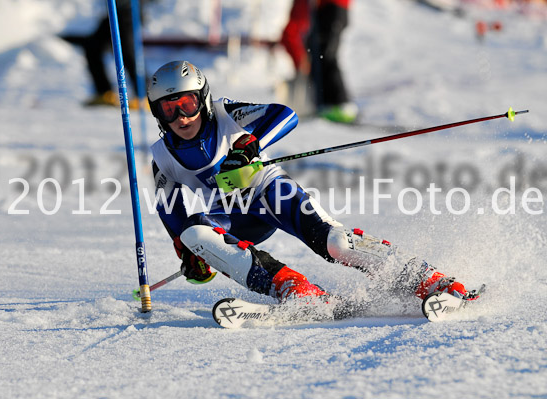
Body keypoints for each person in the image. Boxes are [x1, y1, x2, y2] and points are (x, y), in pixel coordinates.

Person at [147, 60, 475, 316]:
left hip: (270, 193)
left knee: (334, 241)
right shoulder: (162, 157)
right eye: (168, 108)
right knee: (194, 236)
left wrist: (249, 145)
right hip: (233, 219)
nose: (181, 117)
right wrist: (190, 253)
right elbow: (172, 212)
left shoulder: (226, 113)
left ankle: (430, 281)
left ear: (201, 99)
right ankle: (295, 289)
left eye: (187, 103)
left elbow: (283, 115)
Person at [281, 0, 358, 124]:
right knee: (319, 54)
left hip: (333, 6)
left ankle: (340, 104)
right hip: (326, 9)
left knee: (326, 55)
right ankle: (326, 104)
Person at [62, 0, 145, 109]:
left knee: (126, 52)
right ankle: (105, 93)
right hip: (114, 11)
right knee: (92, 47)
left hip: (130, 10)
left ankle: (143, 96)